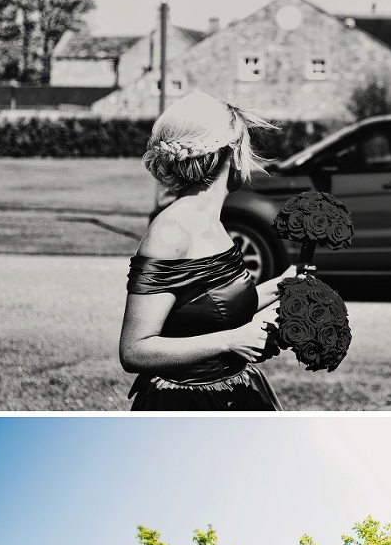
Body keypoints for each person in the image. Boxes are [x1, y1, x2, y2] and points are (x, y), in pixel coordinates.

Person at [119, 92, 289, 409]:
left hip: (235, 391)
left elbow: (214, 309)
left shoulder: (212, 222)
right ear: (236, 154)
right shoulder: (171, 232)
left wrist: (286, 285)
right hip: (183, 403)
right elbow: (134, 350)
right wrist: (231, 342)